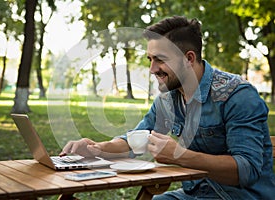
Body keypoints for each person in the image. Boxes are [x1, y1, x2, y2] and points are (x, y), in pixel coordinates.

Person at [60, 15, 275, 199]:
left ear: (189, 58)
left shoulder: (237, 96)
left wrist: (179, 155)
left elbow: (247, 170)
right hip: (193, 194)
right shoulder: (167, 99)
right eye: (150, 59)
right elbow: (135, 139)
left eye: (160, 60)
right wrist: (97, 148)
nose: (152, 69)